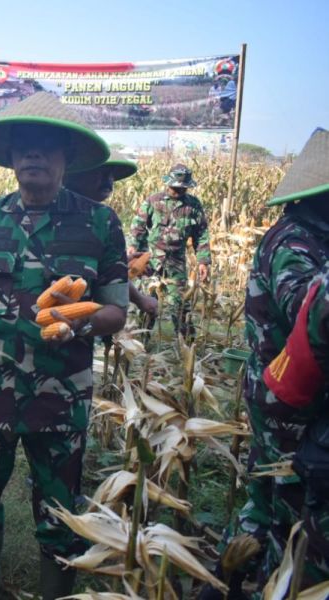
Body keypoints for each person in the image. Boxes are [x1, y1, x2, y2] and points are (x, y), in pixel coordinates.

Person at [0, 92, 129, 600]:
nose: (34, 156)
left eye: (47, 148)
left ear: (67, 158)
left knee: (60, 507)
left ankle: (57, 593)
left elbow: (115, 309)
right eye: (24, 147)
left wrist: (81, 325)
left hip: (61, 395)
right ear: (9, 157)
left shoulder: (99, 223)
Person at [207, 127, 329, 596]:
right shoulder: (294, 242)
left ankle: (225, 580)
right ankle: (264, 582)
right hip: (288, 410)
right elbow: (304, 306)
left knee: (262, 500)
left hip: (281, 400)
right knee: (290, 514)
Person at [64, 152, 158, 318]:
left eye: (111, 175)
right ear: (75, 175)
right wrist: (141, 300)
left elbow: (104, 273)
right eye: (100, 173)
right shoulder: (65, 216)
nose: (108, 181)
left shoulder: (102, 218)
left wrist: (119, 264)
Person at [128, 163, 211, 337]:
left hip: (176, 262)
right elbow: (138, 226)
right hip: (151, 259)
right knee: (147, 303)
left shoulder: (193, 206)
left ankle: (186, 345)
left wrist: (203, 261)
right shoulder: (153, 201)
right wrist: (134, 247)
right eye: (175, 187)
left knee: (180, 304)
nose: (178, 191)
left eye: (183, 188)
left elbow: (202, 234)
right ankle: (141, 344)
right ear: (168, 183)